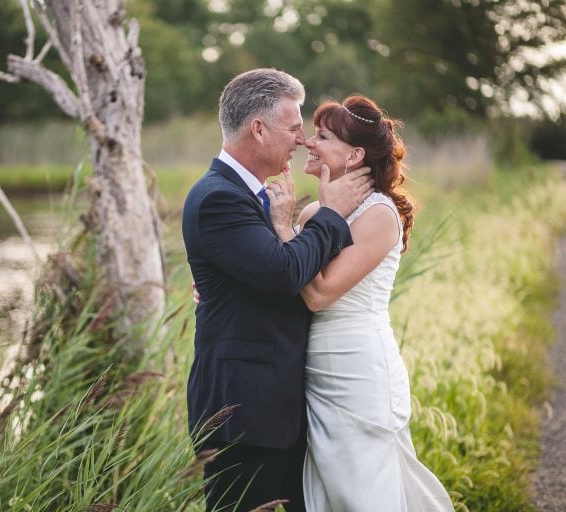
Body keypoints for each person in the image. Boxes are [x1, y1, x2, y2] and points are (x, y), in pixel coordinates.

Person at [181, 68, 373, 511]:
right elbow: (286, 273)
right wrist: (332, 214)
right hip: (245, 410)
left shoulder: (248, 195)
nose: (302, 139)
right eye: (293, 128)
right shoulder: (219, 198)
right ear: (259, 129)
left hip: (277, 406)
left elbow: (265, 270)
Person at [265, 94, 454, 511]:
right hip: (314, 369)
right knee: (329, 489)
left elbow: (317, 293)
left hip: (357, 370)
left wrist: (282, 228)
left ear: (353, 156)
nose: (309, 143)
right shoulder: (313, 212)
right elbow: (287, 277)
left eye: (322, 136)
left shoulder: (379, 215)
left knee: (364, 487)